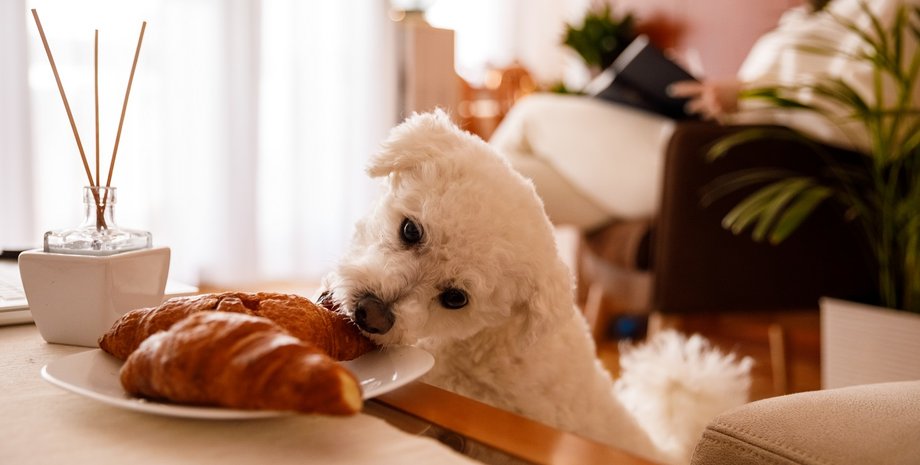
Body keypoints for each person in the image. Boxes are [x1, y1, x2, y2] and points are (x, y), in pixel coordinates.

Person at [489, 0, 905, 231]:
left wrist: (747, 95)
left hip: (736, 173)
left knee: (529, 116)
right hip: (708, 148)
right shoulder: (819, 14)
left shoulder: (894, 10)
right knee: (519, 181)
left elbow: (881, 113)